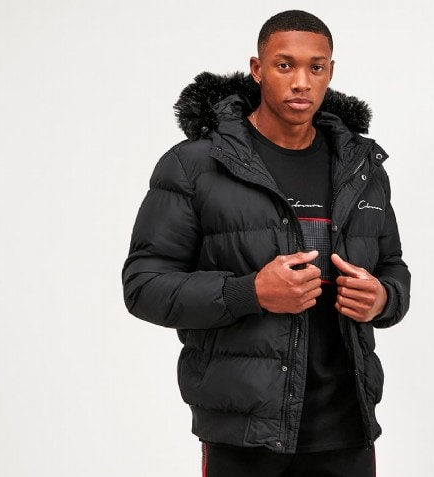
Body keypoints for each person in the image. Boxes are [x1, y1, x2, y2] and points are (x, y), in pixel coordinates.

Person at [122, 9, 410, 477]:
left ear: (331, 72)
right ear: (257, 69)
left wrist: (383, 298)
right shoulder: (195, 166)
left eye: (316, 67)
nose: (301, 82)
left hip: (346, 424)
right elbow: (143, 286)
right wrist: (249, 292)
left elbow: (393, 265)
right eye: (284, 65)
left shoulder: (362, 169)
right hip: (245, 431)